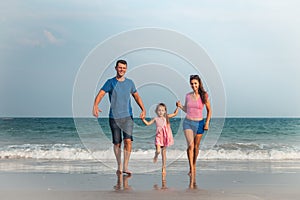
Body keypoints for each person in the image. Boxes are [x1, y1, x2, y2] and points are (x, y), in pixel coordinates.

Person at [93, 59, 146, 175]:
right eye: (120, 67)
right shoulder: (110, 82)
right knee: (117, 143)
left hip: (128, 117)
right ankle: (119, 165)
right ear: (116, 68)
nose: (122, 70)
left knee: (128, 141)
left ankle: (126, 166)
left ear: (126, 69)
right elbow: (101, 94)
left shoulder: (130, 83)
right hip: (114, 117)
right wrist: (95, 105)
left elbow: (137, 97)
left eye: (124, 68)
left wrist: (143, 109)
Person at [177, 75, 212, 176]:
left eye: (195, 83)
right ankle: (191, 168)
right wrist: (180, 106)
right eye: (192, 83)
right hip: (188, 122)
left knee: (196, 147)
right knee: (190, 146)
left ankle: (194, 164)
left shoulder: (204, 95)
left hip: (199, 123)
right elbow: (187, 109)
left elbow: (209, 110)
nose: (193, 85)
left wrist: (207, 122)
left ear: (199, 83)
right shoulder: (188, 96)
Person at [142, 103, 179, 174]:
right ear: (156, 111)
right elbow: (148, 123)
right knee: (158, 151)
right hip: (158, 137)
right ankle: (156, 155)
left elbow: (175, 114)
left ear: (165, 111)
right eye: (159, 110)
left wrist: (178, 107)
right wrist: (143, 119)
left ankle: (163, 167)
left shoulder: (166, 117)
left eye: (162, 110)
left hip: (165, 137)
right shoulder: (156, 119)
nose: (161, 112)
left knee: (164, 153)